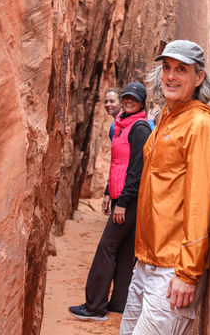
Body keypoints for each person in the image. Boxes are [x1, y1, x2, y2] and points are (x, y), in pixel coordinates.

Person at [120, 40, 210, 335]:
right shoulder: (166, 117)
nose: (171, 76)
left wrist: (188, 273)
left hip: (173, 268)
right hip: (146, 261)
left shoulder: (200, 124)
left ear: (198, 77)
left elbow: (200, 199)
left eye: (181, 69)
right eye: (166, 68)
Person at [69, 82, 152, 321]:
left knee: (107, 246)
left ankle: (94, 306)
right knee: (125, 251)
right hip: (122, 196)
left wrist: (123, 202)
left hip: (131, 200)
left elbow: (137, 169)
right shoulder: (122, 126)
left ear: (141, 104)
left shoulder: (139, 128)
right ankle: (119, 303)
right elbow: (118, 163)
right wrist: (108, 191)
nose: (128, 101)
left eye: (133, 99)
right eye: (126, 97)